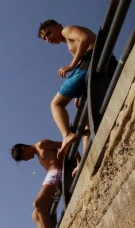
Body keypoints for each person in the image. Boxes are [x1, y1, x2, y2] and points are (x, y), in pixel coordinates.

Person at [38, 20, 98, 158]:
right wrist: (78, 95)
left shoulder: (67, 30)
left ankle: (66, 135)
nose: (48, 39)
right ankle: (87, 155)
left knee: (56, 104)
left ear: (58, 26)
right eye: (45, 38)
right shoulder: (69, 43)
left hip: (89, 62)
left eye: (48, 33)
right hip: (90, 65)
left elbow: (85, 38)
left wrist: (71, 65)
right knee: (84, 113)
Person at [10, 139, 64, 228]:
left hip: (56, 172)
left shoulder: (42, 144)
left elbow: (66, 144)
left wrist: (78, 161)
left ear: (24, 148)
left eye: (24, 158)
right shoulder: (38, 153)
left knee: (38, 204)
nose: (26, 160)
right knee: (35, 215)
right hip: (50, 176)